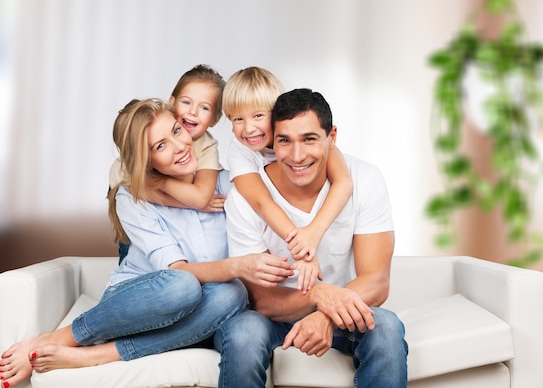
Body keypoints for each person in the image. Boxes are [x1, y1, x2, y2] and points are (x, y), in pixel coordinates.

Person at [0, 98, 294, 388]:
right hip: (140, 305)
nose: (179, 147)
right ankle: (57, 339)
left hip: (207, 312)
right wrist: (237, 265)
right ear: (146, 160)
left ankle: (99, 356)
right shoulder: (133, 198)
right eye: (160, 146)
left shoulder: (231, 184)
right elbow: (179, 271)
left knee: (233, 294)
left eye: (177, 131)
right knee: (183, 284)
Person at [216, 88, 408, 388]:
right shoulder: (246, 197)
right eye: (284, 141)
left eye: (309, 139)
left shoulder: (364, 178)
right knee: (243, 332)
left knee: (385, 327)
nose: (297, 156)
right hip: (274, 317)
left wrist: (327, 316)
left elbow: (377, 281)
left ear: (331, 137)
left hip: (343, 311)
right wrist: (317, 295)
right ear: (271, 141)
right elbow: (261, 300)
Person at [222, 67, 353, 293]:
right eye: (237, 119)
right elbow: (262, 201)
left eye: (258, 116)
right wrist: (302, 249)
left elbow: (344, 183)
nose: (248, 128)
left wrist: (313, 232)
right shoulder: (240, 151)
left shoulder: (307, 136)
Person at [110, 64, 227, 262]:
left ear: (215, 119)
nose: (193, 112)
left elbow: (200, 198)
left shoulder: (206, 146)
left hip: (172, 214)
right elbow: (130, 190)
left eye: (204, 107)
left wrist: (162, 183)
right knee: (134, 251)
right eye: (186, 102)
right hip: (138, 209)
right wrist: (188, 202)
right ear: (171, 103)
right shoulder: (141, 144)